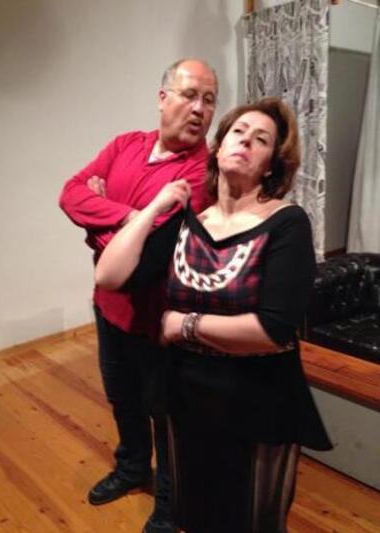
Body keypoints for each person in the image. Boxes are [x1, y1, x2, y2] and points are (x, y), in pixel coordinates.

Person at [95, 97, 333, 533]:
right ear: (218, 147)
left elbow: (272, 328)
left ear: (271, 165)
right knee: (197, 514)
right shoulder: (188, 222)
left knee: (254, 521)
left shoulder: (288, 223)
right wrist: (154, 208)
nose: (246, 141)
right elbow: (109, 275)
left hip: (258, 399)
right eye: (238, 132)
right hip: (187, 396)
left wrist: (182, 324)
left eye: (261, 139)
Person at [59, 58, 218, 533]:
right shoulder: (126, 144)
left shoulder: (201, 174)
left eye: (209, 100)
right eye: (190, 95)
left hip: (159, 321)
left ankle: (169, 503)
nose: (200, 109)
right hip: (108, 309)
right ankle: (131, 468)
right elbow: (69, 193)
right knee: (122, 398)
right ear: (163, 97)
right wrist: (134, 217)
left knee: (164, 415)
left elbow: (141, 266)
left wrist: (98, 224)